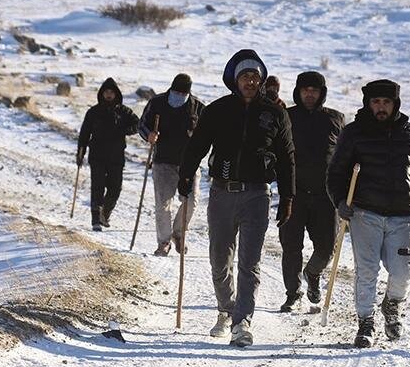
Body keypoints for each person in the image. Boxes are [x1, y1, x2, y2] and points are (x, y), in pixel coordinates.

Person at [178, 49, 295, 347]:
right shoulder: (217, 110)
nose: (250, 82)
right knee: (220, 260)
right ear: (234, 79)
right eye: (245, 76)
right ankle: (226, 310)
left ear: (262, 79)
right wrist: (185, 175)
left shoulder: (275, 113)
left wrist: (287, 196)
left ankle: (242, 322)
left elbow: (287, 157)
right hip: (221, 192)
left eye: (255, 76)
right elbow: (197, 146)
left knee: (250, 263)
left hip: (257, 195)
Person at [327, 79, 410, 348]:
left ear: (395, 104)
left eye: (386, 102)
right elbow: (336, 172)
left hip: (401, 216)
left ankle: (392, 305)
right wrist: (340, 200)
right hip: (365, 213)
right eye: (376, 102)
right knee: (367, 271)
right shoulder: (353, 134)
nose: (381, 107)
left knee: (402, 273)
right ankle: (366, 322)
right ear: (368, 103)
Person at [279, 71, 345, 312]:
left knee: (327, 247)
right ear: (298, 91)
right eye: (305, 89)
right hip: (293, 195)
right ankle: (292, 293)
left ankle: (313, 272)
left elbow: (345, 156)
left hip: (325, 197)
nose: (309, 93)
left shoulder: (336, 119)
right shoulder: (286, 116)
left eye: (314, 90)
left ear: (322, 93)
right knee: (291, 246)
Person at [138, 74, 205, 256]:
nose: (179, 95)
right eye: (176, 91)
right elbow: (142, 124)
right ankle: (164, 241)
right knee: (163, 204)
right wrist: (148, 135)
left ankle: (178, 232)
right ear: (171, 88)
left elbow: (207, 133)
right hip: (163, 162)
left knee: (191, 201)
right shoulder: (157, 102)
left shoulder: (197, 107)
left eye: (183, 92)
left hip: (189, 164)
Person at [77, 78, 140, 232]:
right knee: (97, 187)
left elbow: (137, 125)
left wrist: (125, 130)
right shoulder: (93, 112)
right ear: (102, 93)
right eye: (106, 92)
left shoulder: (124, 111)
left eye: (112, 92)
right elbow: (84, 133)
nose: (109, 95)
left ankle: (105, 213)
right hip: (97, 155)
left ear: (116, 94)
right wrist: (81, 151)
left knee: (115, 188)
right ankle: (95, 219)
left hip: (116, 156)